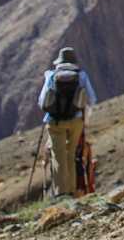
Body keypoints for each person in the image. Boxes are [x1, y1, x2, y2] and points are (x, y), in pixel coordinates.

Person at [36, 47, 95, 197]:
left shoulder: (51, 75)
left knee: (58, 156)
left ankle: (61, 193)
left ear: (59, 62)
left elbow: (42, 101)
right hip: (76, 121)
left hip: (55, 123)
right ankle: (72, 191)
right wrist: (85, 120)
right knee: (71, 154)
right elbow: (92, 99)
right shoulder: (81, 75)